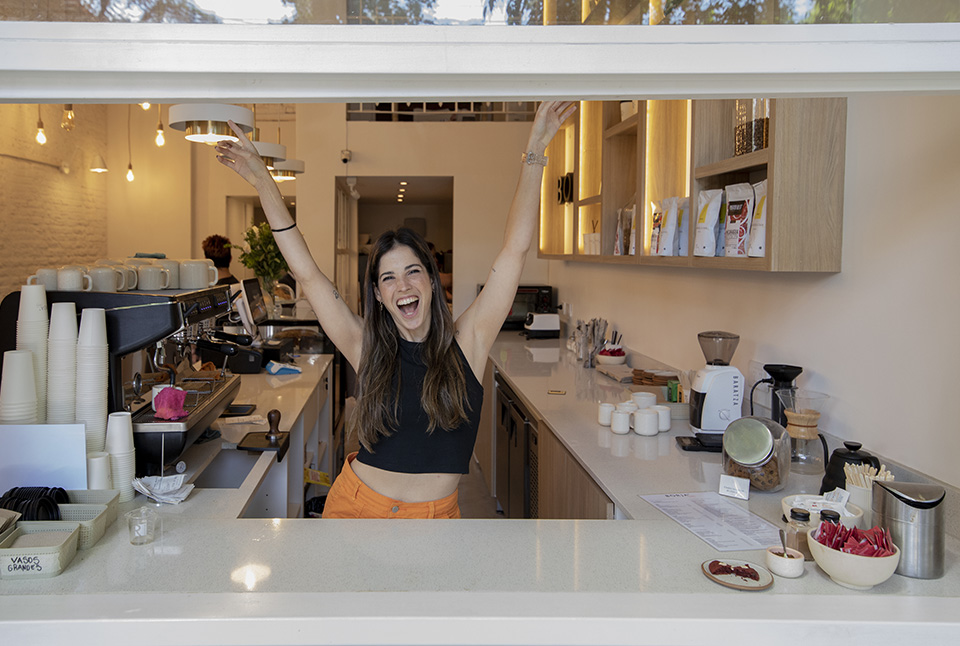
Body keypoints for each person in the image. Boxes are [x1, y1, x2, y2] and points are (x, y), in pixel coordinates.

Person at [214, 100, 577, 519]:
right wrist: (264, 182)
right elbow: (307, 274)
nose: (402, 286)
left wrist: (536, 151)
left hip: (435, 519)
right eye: (388, 278)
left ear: (432, 279)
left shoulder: (469, 342)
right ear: (379, 295)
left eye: (412, 272)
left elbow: (515, 250)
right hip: (356, 510)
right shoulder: (365, 345)